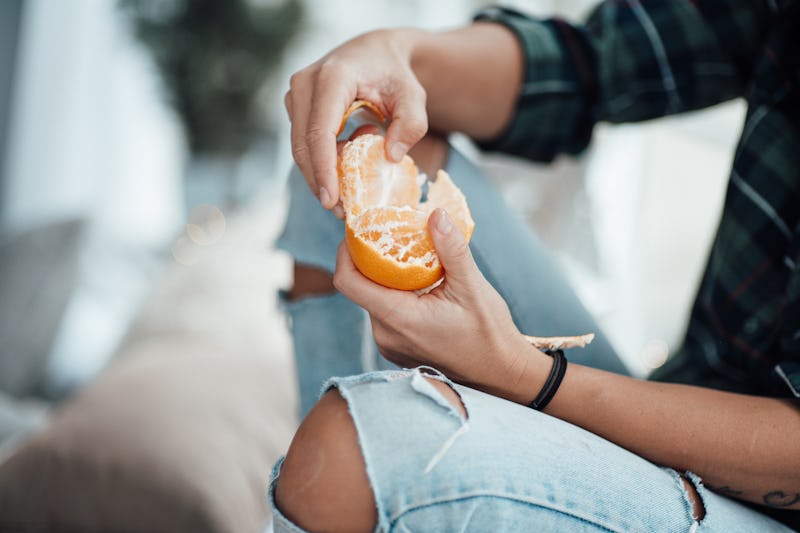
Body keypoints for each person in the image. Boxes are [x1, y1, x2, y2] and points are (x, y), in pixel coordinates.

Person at [271, 1, 800, 531]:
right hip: (691, 392)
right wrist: (396, 55)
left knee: (356, 449)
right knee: (352, 138)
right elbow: (590, 63)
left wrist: (526, 378)